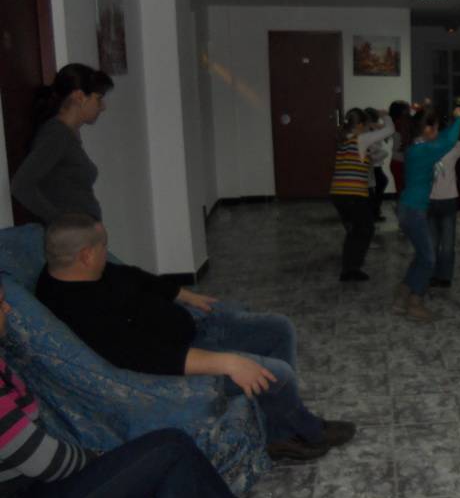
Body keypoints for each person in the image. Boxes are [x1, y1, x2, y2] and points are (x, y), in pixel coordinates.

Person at [0, 280, 327, 498]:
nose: (9, 310)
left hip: (33, 494)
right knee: (169, 449)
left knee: (174, 453)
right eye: (0, 304)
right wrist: (98, 460)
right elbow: (46, 463)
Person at [34, 215, 353, 463]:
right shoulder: (77, 310)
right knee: (276, 373)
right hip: (176, 363)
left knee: (279, 328)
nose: (107, 252)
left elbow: (132, 275)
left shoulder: (83, 271)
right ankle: (307, 429)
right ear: (87, 255)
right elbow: (143, 355)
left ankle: (280, 431)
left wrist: (184, 295)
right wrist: (228, 362)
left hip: (192, 330)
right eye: (104, 247)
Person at [11, 63, 114, 223]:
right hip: (71, 235)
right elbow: (21, 185)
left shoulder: (68, 133)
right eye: (98, 99)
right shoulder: (57, 134)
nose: (103, 107)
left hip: (85, 232)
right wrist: (61, 221)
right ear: (79, 96)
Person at [394, 107, 460, 322]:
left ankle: (402, 295)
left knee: (422, 254)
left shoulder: (417, 146)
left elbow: (443, 137)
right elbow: (449, 141)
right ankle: (415, 302)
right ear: (426, 129)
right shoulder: (423, 151)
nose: (437, 131)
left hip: (408, 209)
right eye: (435, 128)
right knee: (428, 259)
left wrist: (453, 121)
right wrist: (459, 119)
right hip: (413, 212)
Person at [330, 108, 393, 281]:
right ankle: (351, 269)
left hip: (338, 194)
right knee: (366, 229)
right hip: (353, 194)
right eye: (365, 125)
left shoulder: (344, 140)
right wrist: (385, 115)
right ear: (359, 125)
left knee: (355, 231)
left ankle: (349, 268)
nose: (367, 129)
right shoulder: (361, 139)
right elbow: (390, 130)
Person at [428, 134, 460, 288]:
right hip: (449, 199)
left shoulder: (424, 150)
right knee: (448, 242)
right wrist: (451, 140)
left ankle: (432, 274)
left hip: (429, 200)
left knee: (432, 241)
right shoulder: (451, 151)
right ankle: (445, 276)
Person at [364, 107, 390, 222]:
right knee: (379, 184)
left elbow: (387, 135)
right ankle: (374, 212)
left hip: (376, 163)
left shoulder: (374, 128)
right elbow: (371, 149)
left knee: (378, 184)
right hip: (372, 164)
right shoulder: (367, 130)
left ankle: (374, 211)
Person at [388, 100, 412, 199]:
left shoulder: (394, 124)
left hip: (397, 161)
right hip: (402, 162)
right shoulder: (402, 124)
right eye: (407, 110)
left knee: (402, 191)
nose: (409, 111)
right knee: (405, 192)